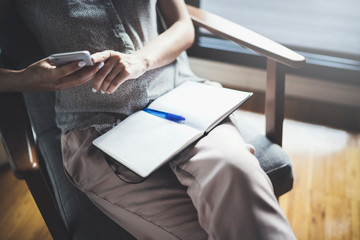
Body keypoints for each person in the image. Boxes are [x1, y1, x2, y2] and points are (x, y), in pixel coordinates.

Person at [0, 0, 296, 239]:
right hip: (98, 131)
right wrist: (28, 78)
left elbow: (183, 27)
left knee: (236, 169)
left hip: (183, 101)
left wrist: (141, 60)